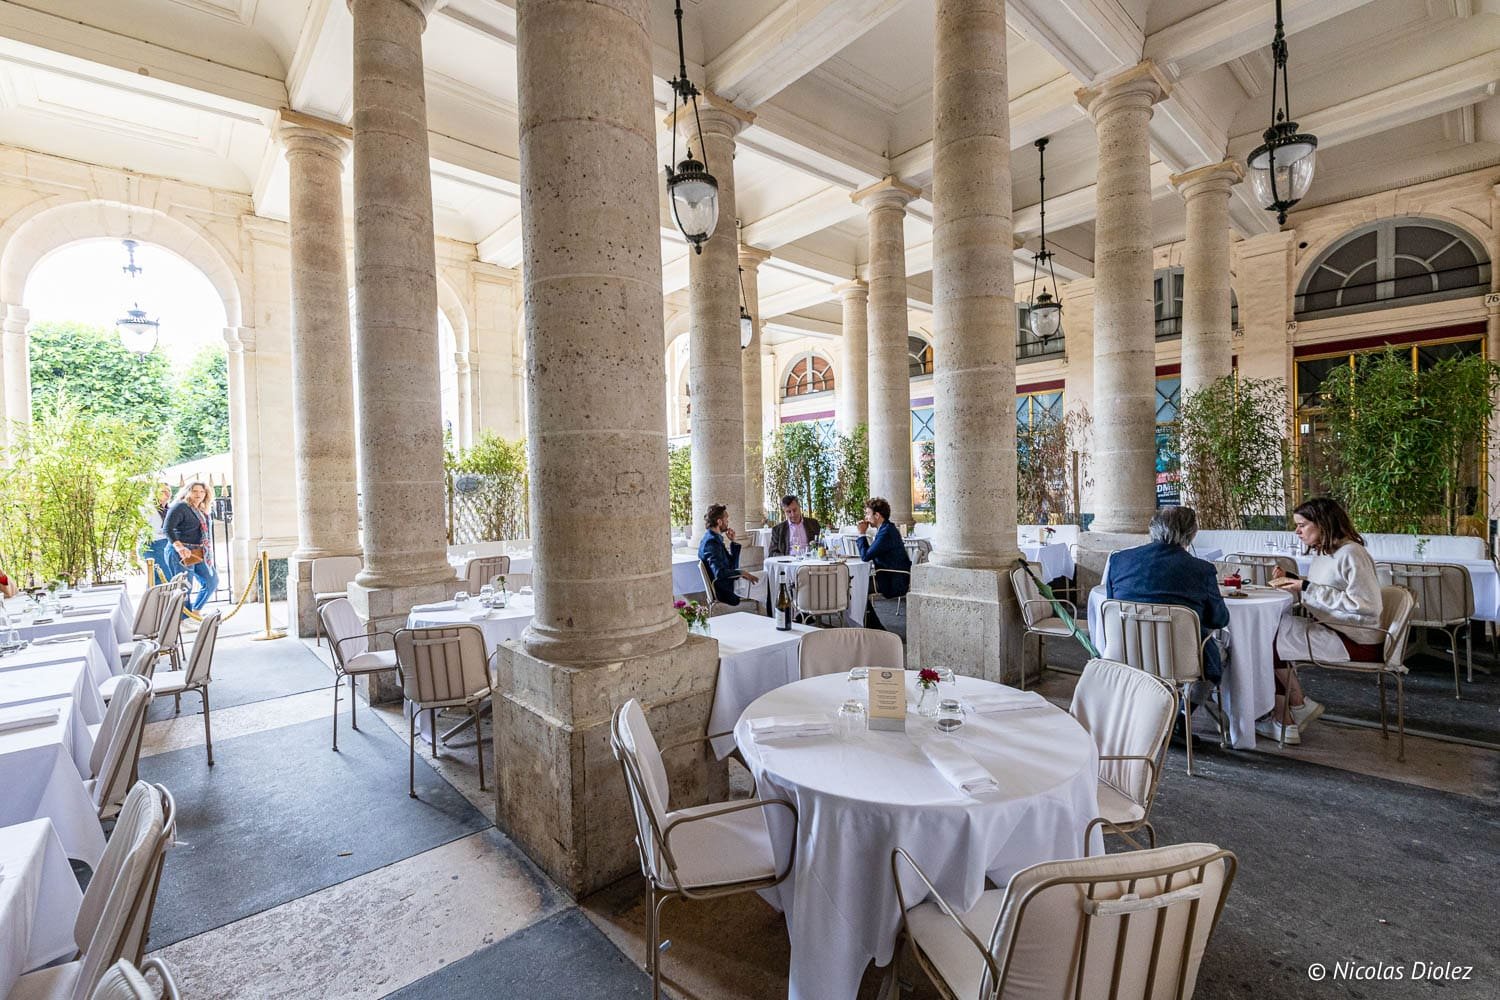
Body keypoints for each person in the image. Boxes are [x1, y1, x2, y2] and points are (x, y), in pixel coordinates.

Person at [1263, 496, 1381, 745]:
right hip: (1334, 629)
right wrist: (1294, 580)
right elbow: (1327, 588)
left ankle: (1287, 716)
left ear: (1323, 523)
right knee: (1265, 633)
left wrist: (1304, 587)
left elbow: (1368, 606)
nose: (1297, 531)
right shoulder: (1328, 553)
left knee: (1266, 642)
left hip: (1355, 639)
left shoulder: (1352, 554)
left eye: (1302, 525)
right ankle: (1294, 710)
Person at [1104, 506, 1231, 716]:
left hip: (1127, 652)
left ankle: (1144, 713)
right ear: (1192, 533)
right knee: (1221, 652)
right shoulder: (1201, 570)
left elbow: (1112, 603)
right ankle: (1182, 714)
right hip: (1180, 660)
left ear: (1152, 528)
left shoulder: (1119, 560)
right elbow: (1219, 619)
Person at [856, 497, 911, 629]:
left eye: (868, 514)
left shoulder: (886, 532)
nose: (866, 517)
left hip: (894, 580)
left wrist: (862, 533)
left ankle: (874, 628)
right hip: (889, 575)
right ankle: (872, 627)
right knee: (856, 586)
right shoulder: (886, 529)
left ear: (877, 515)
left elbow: (866, 556)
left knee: (857, 588)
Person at [165, 481, 218, 616]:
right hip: (180, 551)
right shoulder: (180, 506)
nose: (198, 494)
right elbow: (167, 529)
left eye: (202, 491)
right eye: (194, 491)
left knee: (212, 581)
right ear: (187, 492)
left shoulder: (201, 509)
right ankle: (183, 619)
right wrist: (180, 548)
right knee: (184, 587)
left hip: (197, 551)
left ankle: (194, 613)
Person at [697, 503, 759, 608]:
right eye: (726, 519)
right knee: (764, 582)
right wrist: (741, 573)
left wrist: (733, 542)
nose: (728, 522)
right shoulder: (711, 542)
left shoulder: (713, 539)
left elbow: (732, 566)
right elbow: (719, 573)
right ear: (719, 522)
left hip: (728, 585)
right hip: (725, 591)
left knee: (762, 580)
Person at [141, 482, 173, 584]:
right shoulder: (148, 509)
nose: (167, 493)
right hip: (153, 544)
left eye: (169, 491)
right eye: (163, 491)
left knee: (160, 577)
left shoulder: (169, 509)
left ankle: (154, 595)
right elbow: (140, 528)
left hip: (167, 544)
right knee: (162, 576)